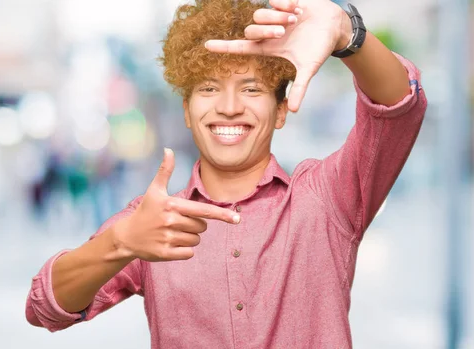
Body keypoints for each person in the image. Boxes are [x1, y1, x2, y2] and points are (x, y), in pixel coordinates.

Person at [25, 0, 427, 348]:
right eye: (209, 88)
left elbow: (398, 107)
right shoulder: (156, 220)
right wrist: (120, 242)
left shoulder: (328, 198)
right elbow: (44, 307)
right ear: (186, 109)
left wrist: (345, 29)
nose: (229, 107)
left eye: (251, 89)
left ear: (282, 109)